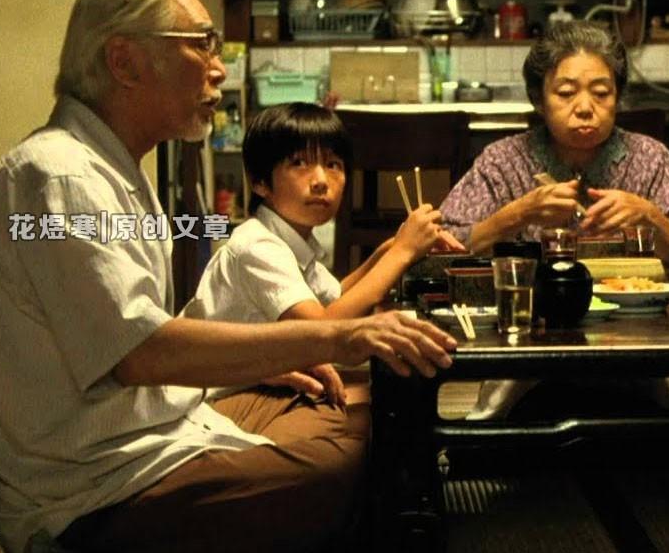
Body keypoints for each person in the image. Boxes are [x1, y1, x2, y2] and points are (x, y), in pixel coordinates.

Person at [0, 0, 458, 553]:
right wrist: (341, 335)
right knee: (343, 461)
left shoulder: (111, 172)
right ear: (125, 62)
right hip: (96, 488)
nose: (219, 66)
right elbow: (141, 353)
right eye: (201, 43)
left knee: (349, 407)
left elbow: (133, 339)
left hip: (159, 428)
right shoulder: (60, 176)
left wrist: (273, 360)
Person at [182, 102, 464, 405]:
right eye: (299, 163)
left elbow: (337, 298)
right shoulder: (257, 246)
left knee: (388, 400)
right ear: (260, 182)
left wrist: (390, 249)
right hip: (213, 399)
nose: (320, 181)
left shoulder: (291, 240)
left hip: (260, 384)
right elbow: (323, 329)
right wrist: (403, 253)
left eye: (333, 165)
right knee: (385, 409)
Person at [438, 20, 669, 267]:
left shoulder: (650, 158)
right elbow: (442, 248)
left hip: (633, 297)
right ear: (539, 100)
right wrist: (518, 214)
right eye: (566, 93)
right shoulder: (503, 162)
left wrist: (650, 217)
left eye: (601, 93)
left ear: (617, 98)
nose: (585, 108)